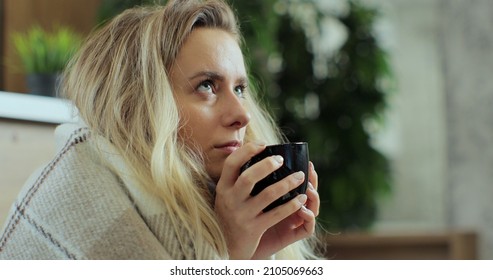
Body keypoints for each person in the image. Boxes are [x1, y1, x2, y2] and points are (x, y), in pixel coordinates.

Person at [0, 0, 320, 260]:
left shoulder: (207, 198)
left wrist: (253, 256)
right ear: (139, 102)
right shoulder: (85, 200)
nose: (243, 114)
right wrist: (230, 250)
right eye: (207, 85)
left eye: (239, 89)